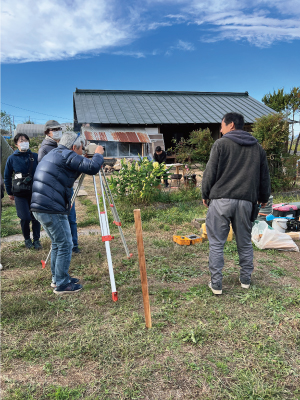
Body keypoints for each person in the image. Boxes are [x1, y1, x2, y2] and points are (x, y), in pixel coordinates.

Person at [202, 112, 270, 295]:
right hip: (246, 201)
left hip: (221, 200)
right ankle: (245, 280)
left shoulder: (221, 144)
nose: (220, 129)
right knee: (245, 242)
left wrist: (205, 193)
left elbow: (210, 171)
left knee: (217, 243)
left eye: (222, 125)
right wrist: (264, 197)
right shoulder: (257, 148)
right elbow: (264, 176)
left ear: (231, 125)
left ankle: (216, 284)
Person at [31, 132, 104, 294]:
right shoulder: (67, 154)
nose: (83, 150)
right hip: (51, 208)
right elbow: (92, 168)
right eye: (81, 147)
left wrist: (85, 158)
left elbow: (73, 171)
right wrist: (98, 154)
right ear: (74, 147)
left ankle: (57, 279)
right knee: (65, 244)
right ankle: (62, 284)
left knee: (58, 243)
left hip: (40, 206)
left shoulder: (54, 154)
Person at [39, 120, 80, 253]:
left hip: (65, 186)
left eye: (58, 128)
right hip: (54, 191)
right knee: (60, 219)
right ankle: (62, 246)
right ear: (47, 132)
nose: (57, 131)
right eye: (54, 129)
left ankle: (74, 245)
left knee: (71, 218)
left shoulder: (63, 145)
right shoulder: (45, 148)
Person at [4, 133, 41, 249]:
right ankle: (27, 239)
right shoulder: (12, 159)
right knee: (25, 217)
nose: (24, 142)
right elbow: (7, 176)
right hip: (20, 192)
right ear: (16, 144)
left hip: (34, 191)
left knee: (36, 217)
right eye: (21, 141)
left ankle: (36, 240)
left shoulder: (35, 156)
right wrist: (9, 192)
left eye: (26, 140)